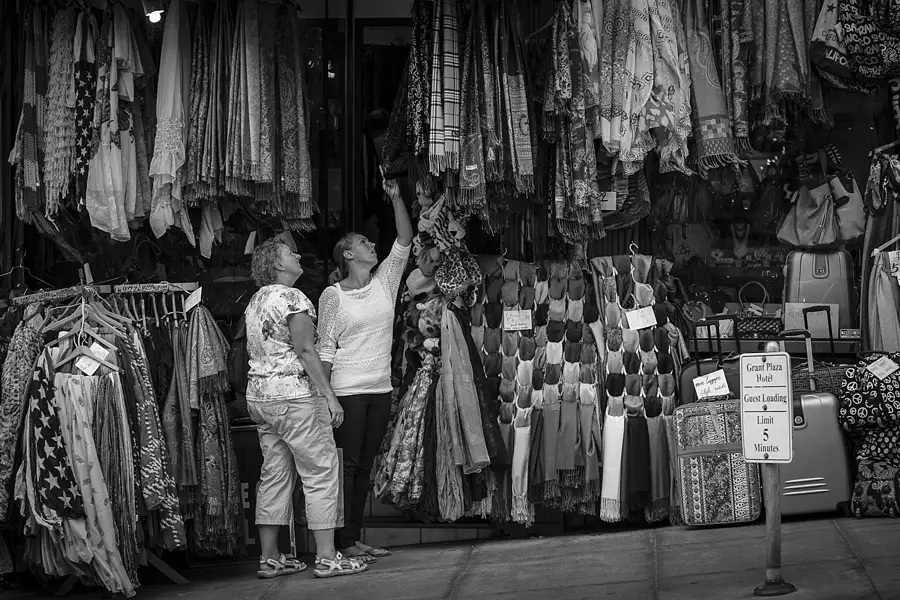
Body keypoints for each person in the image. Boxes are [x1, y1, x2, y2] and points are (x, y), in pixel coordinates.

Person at [244, 237, 368, 580]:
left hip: (261, 398)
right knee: (321, 472)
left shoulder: (257, 300)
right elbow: (306, 351)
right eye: (290, 253)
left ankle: (270, 557)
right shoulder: (292, 298)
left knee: (274, 475)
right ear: (277, 264)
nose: (297, 255)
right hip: (295, 398)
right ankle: (327, 557)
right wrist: (329, 396)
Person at [317, 176, 413, 562]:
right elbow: (325, 349)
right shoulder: (332, 296)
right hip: (347, 391)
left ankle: (353, 537)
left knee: (366, 465)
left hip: (379, 388)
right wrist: (325, 397)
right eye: (363, 243)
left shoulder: (384, 282)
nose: (372, 244)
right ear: (348, 255)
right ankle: (341, 541)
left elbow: (404, 239)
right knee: (349, 466)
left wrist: (397, 198)